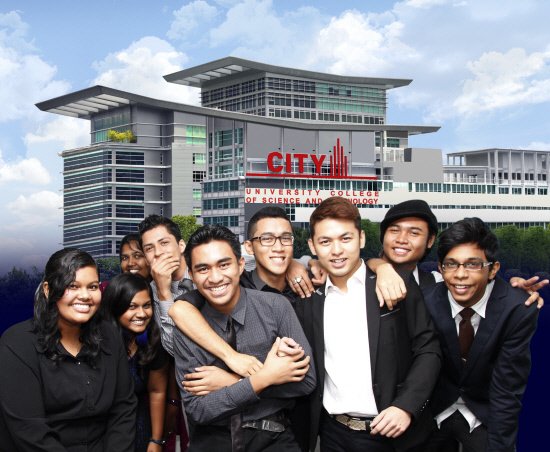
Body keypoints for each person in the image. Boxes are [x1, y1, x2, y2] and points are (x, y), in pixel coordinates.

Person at [296, 196, 441, 452]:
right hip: (333, 434)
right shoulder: (309, 299)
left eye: (346, 238)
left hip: (395, 435)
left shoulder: (395, 283)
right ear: (312, 245)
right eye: (325, 241)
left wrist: (406, 406)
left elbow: (428, 349)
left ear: (361, 239)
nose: (337, 250)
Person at [169, 206, 312, 450]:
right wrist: (265, 378)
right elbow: (198, 409)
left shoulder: (276, 306)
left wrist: (234, 381)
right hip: (212, 440)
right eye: (203, 269)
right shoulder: (188, 324)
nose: (215, 277)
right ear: (191, 274)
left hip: (274, 437)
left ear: (240, 264)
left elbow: (307, 381)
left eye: (224, 265)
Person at [419, 217, 540, 452]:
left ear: (493, 269)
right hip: (434, 409)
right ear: (440, 268)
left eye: (473, 264)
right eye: (451, 264)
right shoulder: (426, 301)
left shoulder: (516, 308)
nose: (460, 274)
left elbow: (507, 388)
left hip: (484, 410)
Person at [0, 248, 136, 451]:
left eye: (92, 287)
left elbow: (124, 409)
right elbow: (29, 431)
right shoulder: (17, 343)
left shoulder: (110, 335)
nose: (85, 296)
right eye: (72, 286)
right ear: (48, 290)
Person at [369, 199, 547, 308]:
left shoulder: (438, 282)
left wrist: (515, 291)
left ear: (430, 241)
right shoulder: (360, 275)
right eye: (394, 230)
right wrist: (379, 266)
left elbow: (478, 287)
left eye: (414, 233)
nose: (401, 239)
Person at [101, 273, 169, 452]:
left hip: (139, 426)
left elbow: (157, 391)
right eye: (132, 307)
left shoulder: (153, 341)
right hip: (102, 431)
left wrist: (156, 440)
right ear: (115, 307)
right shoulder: (98, 342)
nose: (142, 314)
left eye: (146, 305)